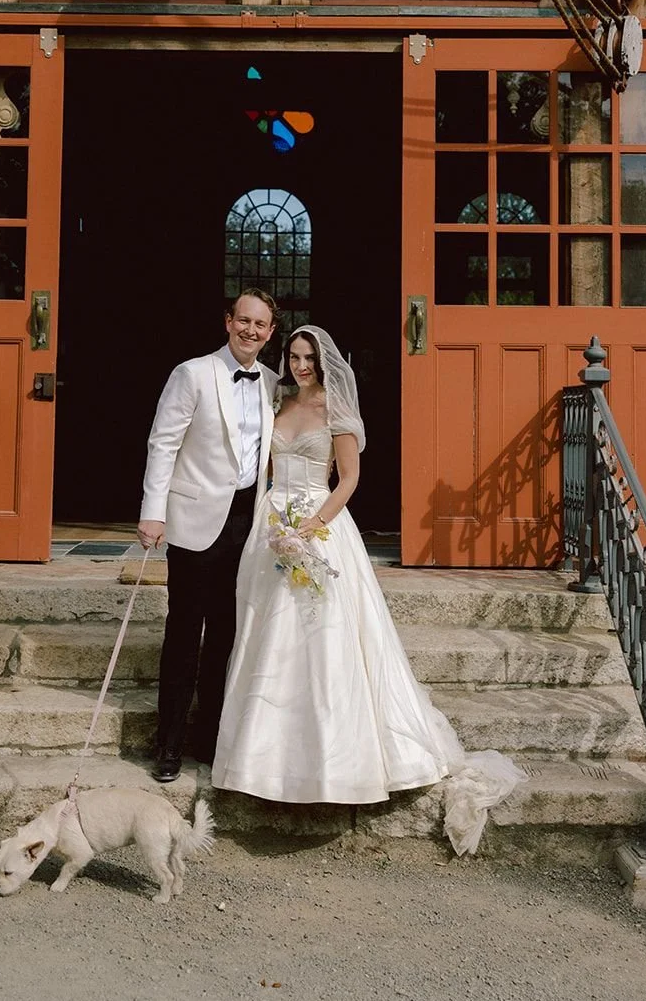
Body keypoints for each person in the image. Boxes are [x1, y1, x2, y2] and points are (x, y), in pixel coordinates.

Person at [212, 325, 524, 854]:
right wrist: (275, 528)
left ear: (325, 363)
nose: (301, 366)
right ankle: (261, 762)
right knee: (267, 637)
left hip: (319, 524)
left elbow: (349, 480)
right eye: (294, 356)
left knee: (323, 638)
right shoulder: (276, 401)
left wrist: (311, 528)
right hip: (272, 525)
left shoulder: (337, 411)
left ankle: (334, 765)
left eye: (309, 358)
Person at [138, 290, 279, 783]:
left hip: (247, 523)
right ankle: (169, 742)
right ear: (228, 321)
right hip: (194, 520)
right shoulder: (193, 373)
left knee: (226, 635)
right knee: (184, 633)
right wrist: (153, 513)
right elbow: (163, 444)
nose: (250, 331)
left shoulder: (274, 384)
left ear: (270, 332)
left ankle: (210, 737)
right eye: (244, 320)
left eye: (260, 324)